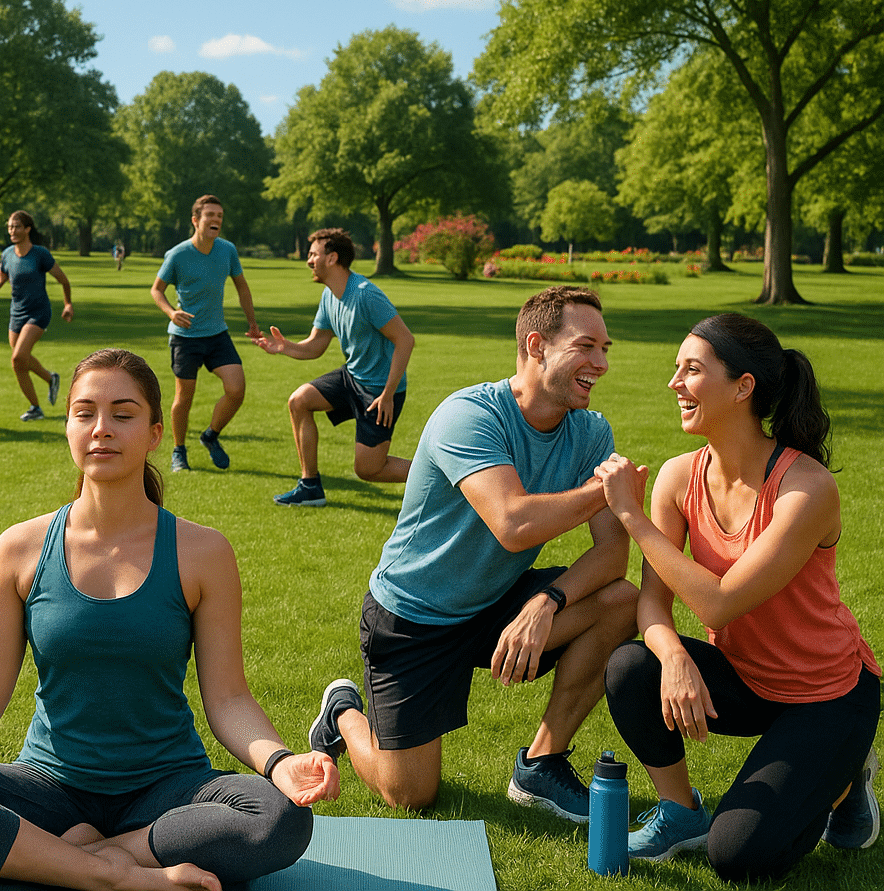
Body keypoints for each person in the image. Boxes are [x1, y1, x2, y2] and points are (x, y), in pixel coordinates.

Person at [0, 348, 339, 891]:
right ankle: (111, 877)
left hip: (168, 792)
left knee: (280, 817)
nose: (101, 429)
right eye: (84, 412)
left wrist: (279, 763)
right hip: (51, 791)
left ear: (155, 433)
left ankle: (94, 857)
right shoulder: (20, 548)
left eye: (123, 413)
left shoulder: (202, 552)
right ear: (67, 427)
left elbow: (229, 699)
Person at [306, 286, 639, 819]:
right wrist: (608, 489)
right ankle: (342, 712)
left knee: (622, 599)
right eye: (586, 347)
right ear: (537, 345)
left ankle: (540, 765)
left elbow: (613, 557)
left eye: (606, 349)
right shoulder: (469, 415)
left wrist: (546, 601)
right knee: (411, 795)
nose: (600, 363)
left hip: (496, 602)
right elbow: (513, 522)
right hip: (412, 617)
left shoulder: (590, 432)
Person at [596, 313, 879, 880]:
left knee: (740, 859)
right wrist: (674, 656)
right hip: (746, 677)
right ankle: (680, 812)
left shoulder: (806, 488)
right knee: (632, 666)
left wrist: (629, 512)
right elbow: (654, 602)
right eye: (676, 368)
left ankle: (847, 777)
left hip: (828, 695)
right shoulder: (680, 479)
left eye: (692, 369)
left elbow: (722, 602)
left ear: (743, 386)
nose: (675, 382)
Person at [252, 228, 415, 506]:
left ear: (332, 258)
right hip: (352, 376)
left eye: (314, 254)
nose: (308, 260)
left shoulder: (365, 295)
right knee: (299, 401)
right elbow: (316, 346)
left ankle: (441, 475)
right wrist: (285, 347)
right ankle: (310, 486)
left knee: (368, 469)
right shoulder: (330, 296)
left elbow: (405, 340)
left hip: (378, 390)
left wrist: (387, 394)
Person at [150, 195, 261, 473]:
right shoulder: (178, 254)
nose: (216, 220)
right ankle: (179, 451)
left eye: (220, 216)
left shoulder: (227, 250)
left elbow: (242, 288)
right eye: (210, 214)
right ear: (195, 220)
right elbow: (156, 290)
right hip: (185, 337)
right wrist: (171, 312)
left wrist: (252, 323)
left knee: (236, 389)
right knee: (184, 397)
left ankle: (210, 435)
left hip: (217, 334)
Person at [0, 210, 73, 421]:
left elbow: (63, 280)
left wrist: (68, 304)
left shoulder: (40, 254)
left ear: (27, 229)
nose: (12, 230)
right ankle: (47, 385)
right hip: (16, 313)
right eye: (10, 226)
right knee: (20, 361)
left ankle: (38, 401)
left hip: (38, 312)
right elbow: (3, 276)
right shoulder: (7, 254)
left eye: (17, 226)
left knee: (18, 357)